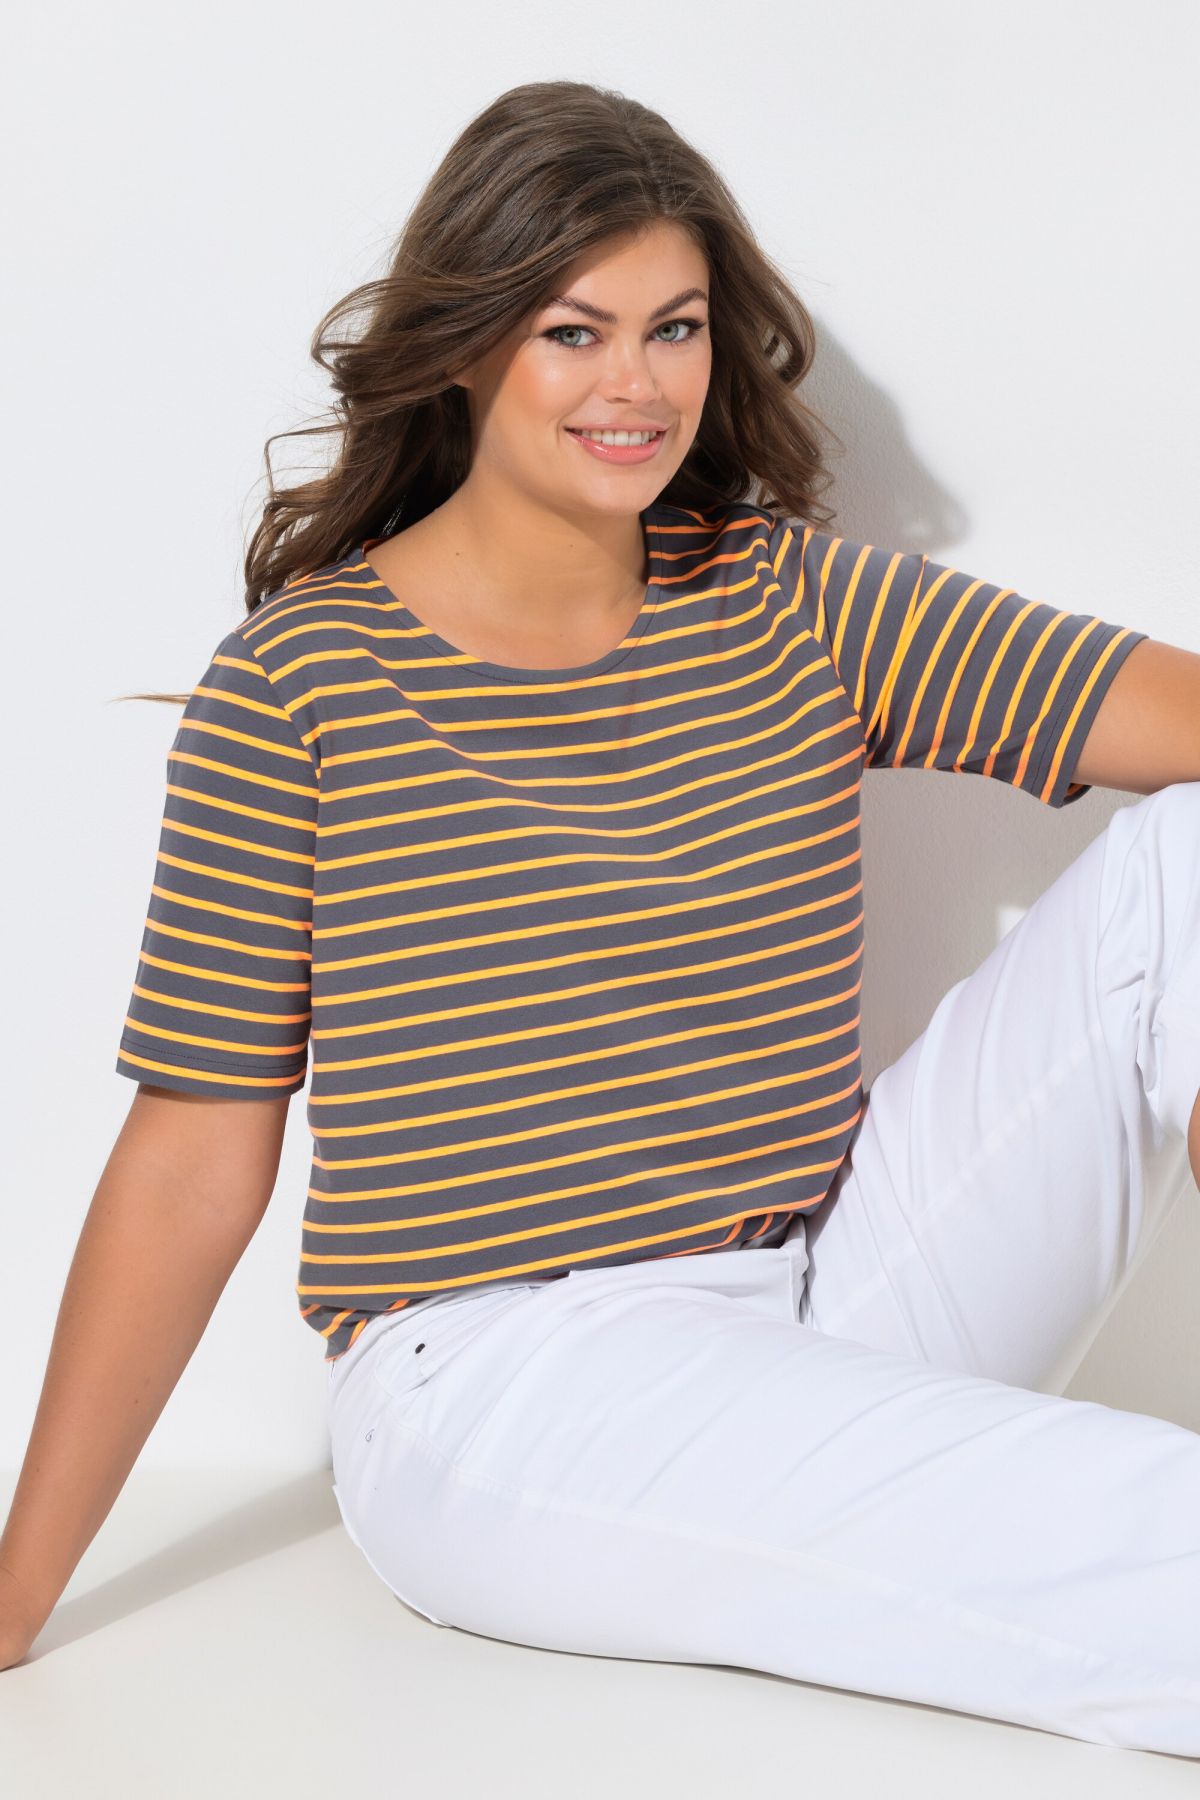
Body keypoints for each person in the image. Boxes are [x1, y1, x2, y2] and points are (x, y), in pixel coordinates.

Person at [4, 78, 1200, 1756]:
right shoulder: (300, 688)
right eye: (575, 332)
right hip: (509, 1381)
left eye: (675, 328)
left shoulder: (785, 596)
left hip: (831, 1290)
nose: (637, 385)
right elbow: (193, 1162)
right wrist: (16, 1589)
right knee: (1137, 1526)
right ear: (467, 343)